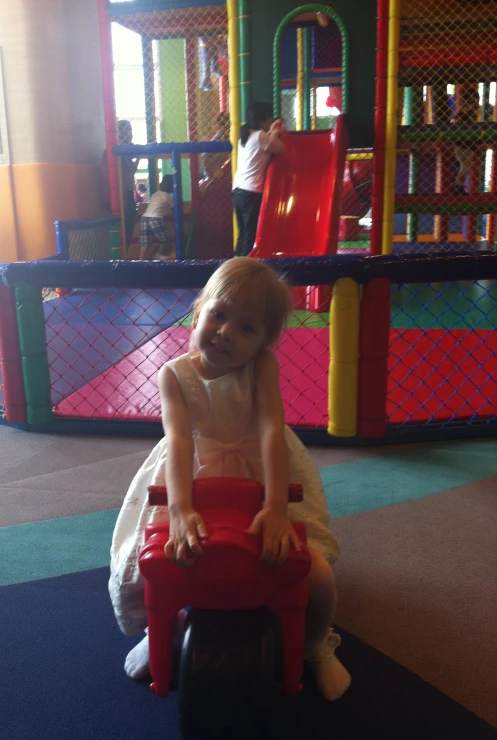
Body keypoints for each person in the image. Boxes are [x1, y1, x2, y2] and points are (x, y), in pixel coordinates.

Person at [108, 258, 351, 702]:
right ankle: (160, 627)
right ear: (199, 310)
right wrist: (180, 510)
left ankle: (316, 646)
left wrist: (276, 506)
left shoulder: (261, 368)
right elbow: (179, 440)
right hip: (193, 469)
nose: (225, 333)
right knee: (154, 556)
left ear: (264, 342)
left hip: (263, 467)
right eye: (219, 315)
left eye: (247, 328)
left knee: (314, 573)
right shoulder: (174, 374)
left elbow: (269, 432)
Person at [232, 102, 285, 256]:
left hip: (238, 191)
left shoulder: (246, 136)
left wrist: (271, 133)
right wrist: (275, 131)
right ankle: (243, 272)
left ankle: (235, 266)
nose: (270, 122)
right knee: (250, 236)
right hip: (251, 192)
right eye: (269, 119)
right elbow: (281, 149)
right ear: (263, 120)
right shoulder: (260, 136)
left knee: (243, 235)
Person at [100, 120, 140, 243]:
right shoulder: (113, 151)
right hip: (118, 194)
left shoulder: (125, 150)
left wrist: (138, 158)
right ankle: (122, 251)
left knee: (128, 224)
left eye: (130, 131)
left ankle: (125, 250)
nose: (130, 134)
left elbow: (129, 172)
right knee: (122, 226)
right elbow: (112, 176)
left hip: (125, 192)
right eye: (128, 131)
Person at [451, 86, 480, 195]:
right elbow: (455, 119)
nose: (474, 105)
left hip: (468, 146)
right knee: (464, 167)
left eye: (475, 102)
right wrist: (455, 121)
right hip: (462, 146)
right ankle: (458, 187)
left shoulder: (473, 114)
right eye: (471, 102)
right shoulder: (463, 114)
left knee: (465, 168)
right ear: (466, 103)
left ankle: (459, 187)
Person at [139, 174, 174, 260]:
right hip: (155, 218)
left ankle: (140, 261)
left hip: (144, 218)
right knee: (166, 238)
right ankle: (158, 254)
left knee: (145, 243)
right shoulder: (168, 196)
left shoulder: (155, 194)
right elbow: (174, 210)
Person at [201, 111, 231, 182]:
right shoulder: (222, 135)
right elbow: (205, 157)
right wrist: (213, 172)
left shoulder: (223, 134)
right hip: (211, 168)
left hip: (212, 167)